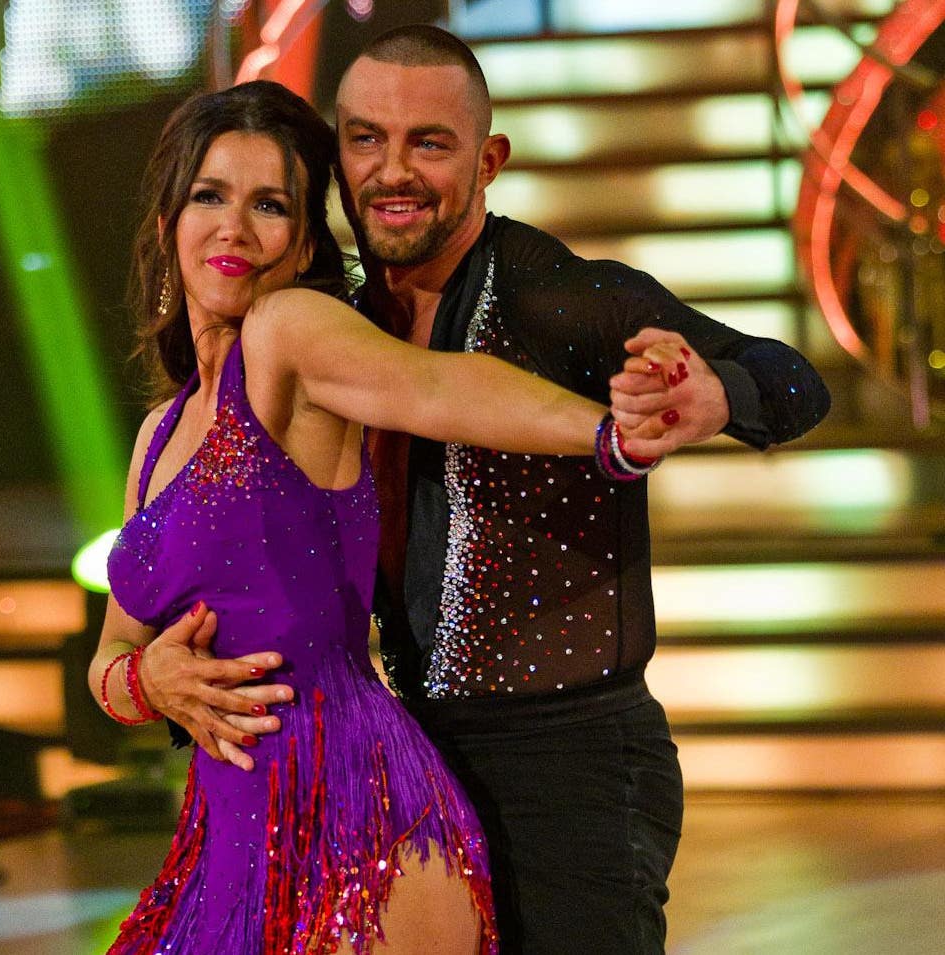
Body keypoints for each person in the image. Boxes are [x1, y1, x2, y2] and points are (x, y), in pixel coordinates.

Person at [153, 25, 833, 955]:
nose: (393, 170)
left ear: (489, 158)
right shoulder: (328, 328)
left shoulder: (560, 297)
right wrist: (146, 669)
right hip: (404, 754)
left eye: (429, 142)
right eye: (365, 140)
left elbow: (794, 378)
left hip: (572, 766)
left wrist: (715, 393)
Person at [90, 80, 683, 955]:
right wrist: (151, 684)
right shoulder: (157, 433)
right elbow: (110, 654)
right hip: (226, 836)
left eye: (270, 205)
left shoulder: (287, 335)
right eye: (209, 196)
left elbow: (437, 388)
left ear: (301, 243)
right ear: (170, 219)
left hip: (359, 816)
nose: (233, 229)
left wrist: (609, 434)